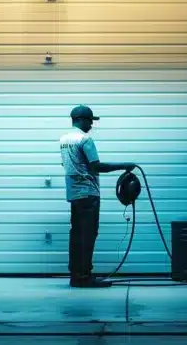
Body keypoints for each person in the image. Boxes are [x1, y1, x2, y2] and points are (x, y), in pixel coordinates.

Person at [60, 105, 136, 288]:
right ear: (81, 120)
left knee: (77, 234)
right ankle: (84, 277)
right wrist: (125, 165)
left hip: (74, 194)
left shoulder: (64, 139)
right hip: (89, 194)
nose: (91, 125)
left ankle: (76, 274)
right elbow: (96, 166)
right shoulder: (85, 139)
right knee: (88, 235)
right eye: (90, 121)